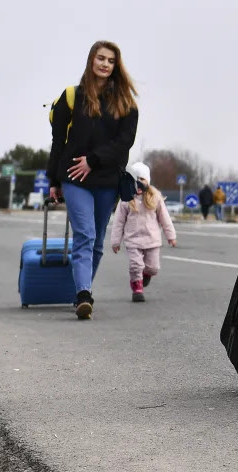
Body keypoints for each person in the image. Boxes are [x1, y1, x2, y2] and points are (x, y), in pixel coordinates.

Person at [47, 41, 138, 320]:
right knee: (84, 235)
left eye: (110, 61)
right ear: (91, 60)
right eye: (100, 58)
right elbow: (58, 141)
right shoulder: (72, 96)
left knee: (97, 241)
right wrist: (54, 179)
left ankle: (82, 289)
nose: (105, 64)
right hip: (74, 178)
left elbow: (125, 143)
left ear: (115, 66)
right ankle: (83, 295)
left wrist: (94, 160)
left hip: (107, 180)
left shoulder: (126, 104)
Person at [110, 162, 177, 302]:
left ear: (147, 181)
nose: (138, 184)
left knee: (153, 268)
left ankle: (145, 276)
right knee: (136, 266)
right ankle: (137, 288)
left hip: (152, 240)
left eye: (142, 180)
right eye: (135, 181)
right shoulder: (126, 199)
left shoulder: (155, 198)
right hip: (133, 240)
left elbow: (165, 219)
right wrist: (116, 241)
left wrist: (170, 235)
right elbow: (118, 222)